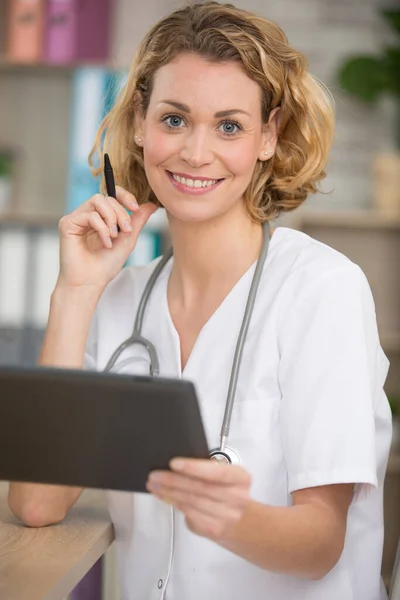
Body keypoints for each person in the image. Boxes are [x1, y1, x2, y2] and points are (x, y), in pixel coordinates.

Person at [8, 2, 393, 599]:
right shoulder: (118, 301)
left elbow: (321, 543)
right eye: (174, 119)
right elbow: (36, 504)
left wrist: (225, 513)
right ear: (139, 122)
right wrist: (75, 291)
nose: (194, 152)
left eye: (230, 126)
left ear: (268, 136)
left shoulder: (321, 289)